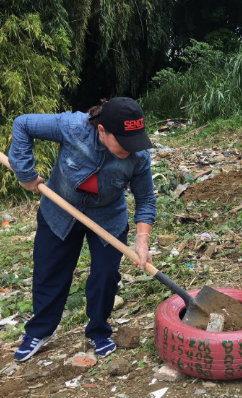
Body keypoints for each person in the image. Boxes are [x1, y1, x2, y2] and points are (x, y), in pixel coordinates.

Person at [8, 97, 156, 361]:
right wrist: (25, 173)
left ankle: (99, 331)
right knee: (49, 272)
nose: (130, 149)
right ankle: (40, 331)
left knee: (105, 276)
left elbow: (145, 200)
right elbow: (23, 124)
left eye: (135, 141)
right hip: (59, 211)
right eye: (123, 141)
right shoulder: (73, 126)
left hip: (108, 219)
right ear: (102, 130)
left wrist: (142, 241)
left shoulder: (138, 156)